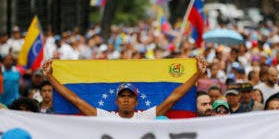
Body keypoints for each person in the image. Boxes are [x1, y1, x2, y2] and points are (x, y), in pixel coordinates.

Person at [42, 56, 207, 119]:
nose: (126, 99)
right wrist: (50, 76)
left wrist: (197, 75)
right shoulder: (106, 117)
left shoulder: (145, 117)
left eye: (130, 96)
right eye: (123, 96)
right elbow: (75, 100)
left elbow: (174, 97)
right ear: (116, 101)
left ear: (136, 101)